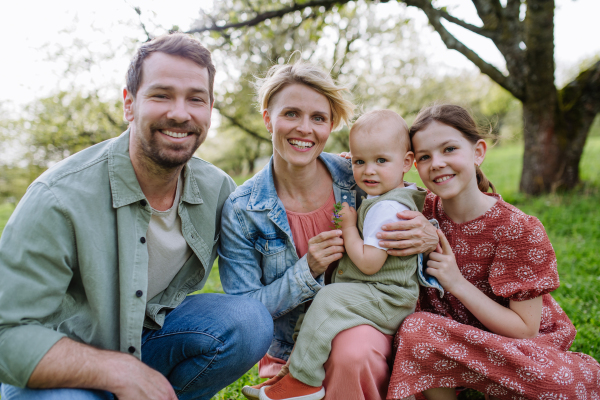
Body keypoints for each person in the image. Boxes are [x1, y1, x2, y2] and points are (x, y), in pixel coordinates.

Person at [0, 33, 273, 400]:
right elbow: (6, 335)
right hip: (61, 366)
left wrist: (344, 174)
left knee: (248, 321)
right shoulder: (58, 197)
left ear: (210, 109)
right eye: (161, 95)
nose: (180, 113)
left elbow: (276, 230)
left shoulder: (217, 190)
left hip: (149, 344)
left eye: (196, 98)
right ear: (129, 104)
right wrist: (117, 371)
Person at [218, 64, 439, 400]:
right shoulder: (242, 209)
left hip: (364, 328)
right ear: (268, 120)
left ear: (330, 125)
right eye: (291, 113)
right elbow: (243, 313)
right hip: (290, 346)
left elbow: (412, 199)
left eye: (318, 118)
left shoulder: (359, 175)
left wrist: (428, 233)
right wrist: (306, 271)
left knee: (353, 353)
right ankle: (295, 381)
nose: (304, 129)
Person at [387, 104, 600, 399]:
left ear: (478, 152)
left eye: (449, 149)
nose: (436, 163)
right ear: (413, 163)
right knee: (416, 328)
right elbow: (373, 171)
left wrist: (455, 282)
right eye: (424, 156)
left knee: (560, 385)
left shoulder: (518, 229)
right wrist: (351, 165)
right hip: (447, 341)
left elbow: (525, 330)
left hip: (514, 347)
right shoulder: (417, 209)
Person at [259, 109, 429, 400]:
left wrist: (349, 227)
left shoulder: (387, 209)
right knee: (316, 309)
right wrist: (359, 161)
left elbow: (369, 262)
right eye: (360, 161)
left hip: (387, 298)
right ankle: (293, 369)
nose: (369, 171)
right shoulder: (391, 194)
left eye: (381, 161)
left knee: (327, 298)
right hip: (377, 295)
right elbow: (375, 164)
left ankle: (305, 382)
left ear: (407, 162)